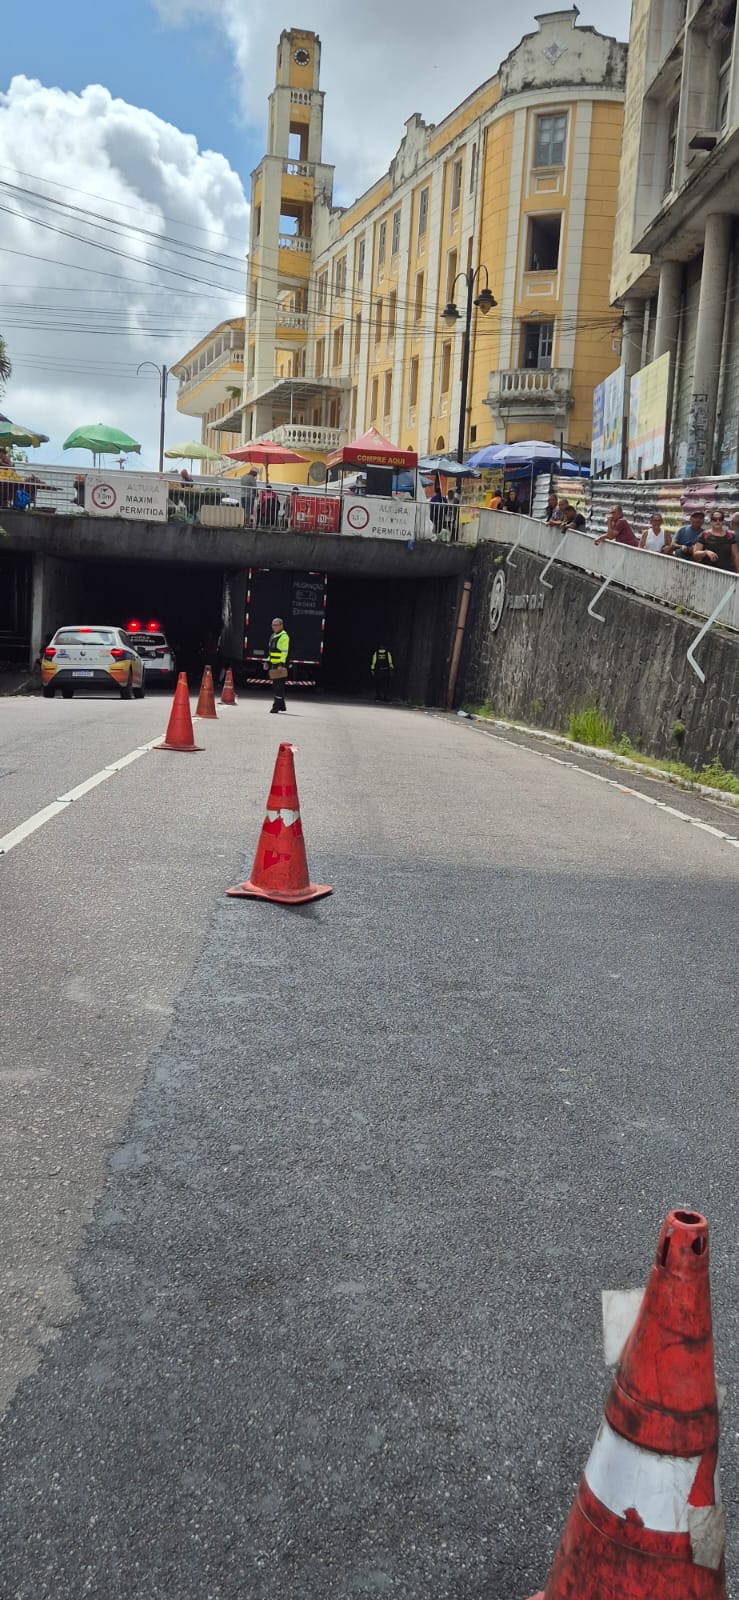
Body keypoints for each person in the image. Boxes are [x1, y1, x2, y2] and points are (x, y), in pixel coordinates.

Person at [265, 615, 290, 713]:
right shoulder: (273, 636)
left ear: (281, 626)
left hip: (280, 665)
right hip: (273, 664)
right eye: (273, 625)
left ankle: (276, 706)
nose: (274, 627)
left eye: (276, 625)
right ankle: (282, 706)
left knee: (279, 686)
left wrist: (281, 664)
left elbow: (284, 652)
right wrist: (267, 661)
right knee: (276, 685)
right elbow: (271, 652)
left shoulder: (284, 636)